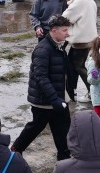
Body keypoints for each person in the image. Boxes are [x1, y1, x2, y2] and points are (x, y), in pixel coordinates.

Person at [12, 15, 74, 161]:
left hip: (58, 98)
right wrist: (54, 99)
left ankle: (64, 160)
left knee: (63, 131)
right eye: (65, 30)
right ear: (54, 31)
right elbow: (41, 77)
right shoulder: (43, 50)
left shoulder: (59, 45)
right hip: (44, 101)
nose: (68, 33)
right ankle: (15, 150)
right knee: (35, 127)